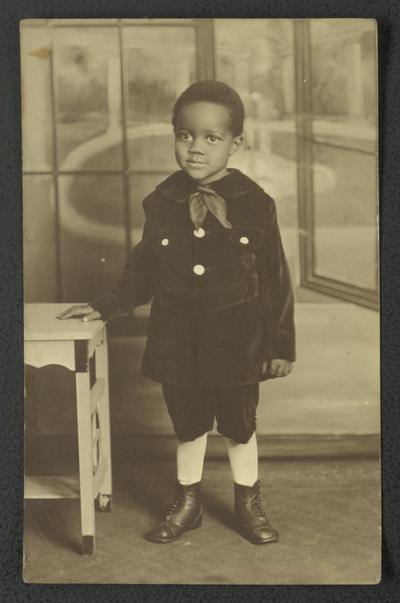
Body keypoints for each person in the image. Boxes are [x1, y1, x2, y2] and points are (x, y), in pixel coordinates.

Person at [57, 80, 295, 545]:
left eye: (212, 138)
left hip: (237, 342)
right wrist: (103, 306)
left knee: (239, 425)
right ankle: (187, 504)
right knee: (186, 422)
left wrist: (280, 345)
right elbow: (142, 270)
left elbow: (276, 281)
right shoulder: (162, 201)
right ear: (174, 136)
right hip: (178, 340)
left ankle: (249, 504)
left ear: (236, 143)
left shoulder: (255, 202)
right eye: (185, 136)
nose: (196, 149)